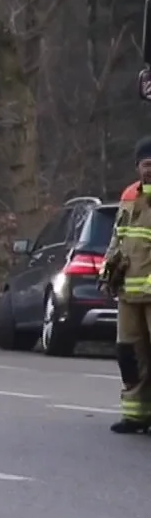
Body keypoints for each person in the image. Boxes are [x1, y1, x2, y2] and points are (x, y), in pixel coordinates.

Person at [103, 137, 151, 433]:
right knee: (130, 355)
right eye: (146, 164)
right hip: (128, 294)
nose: (150, 171)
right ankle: (136, 414)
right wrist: (108, 269)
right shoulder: (130, 196)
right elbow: (118, 236)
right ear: (137, 166)